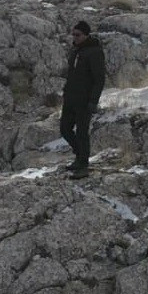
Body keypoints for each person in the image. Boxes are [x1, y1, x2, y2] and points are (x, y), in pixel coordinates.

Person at [61, 21, 106, 179]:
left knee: (81, 132)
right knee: (64, 129)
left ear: (86, 35)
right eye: (73, 34)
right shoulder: (76, 50)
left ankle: (83, 165)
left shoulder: (94, 52)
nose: (75, 37)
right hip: (70, 98)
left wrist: (93, 101)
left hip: (84, 100)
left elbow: (99, 79)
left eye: (78, 35)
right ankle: (79, 156)